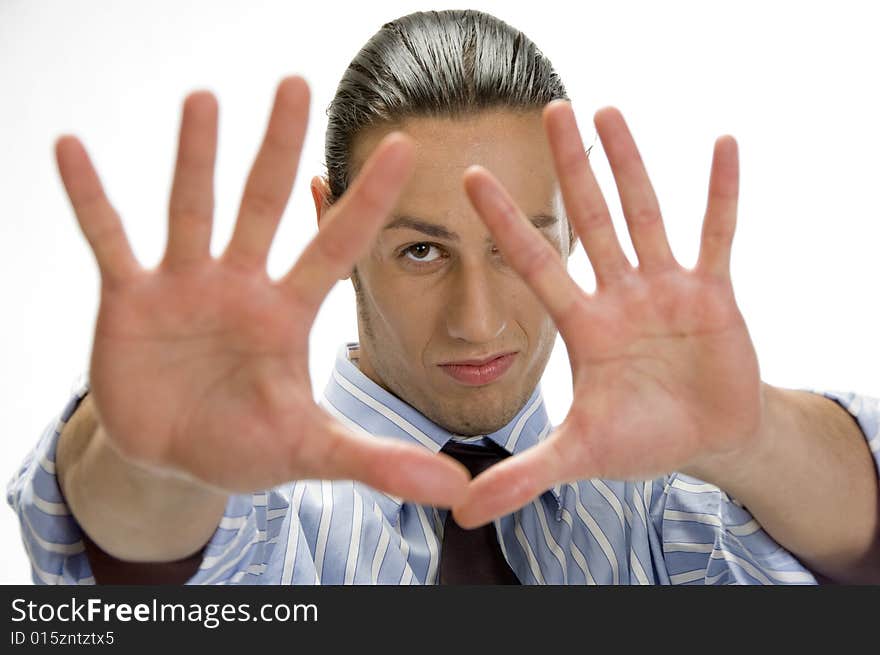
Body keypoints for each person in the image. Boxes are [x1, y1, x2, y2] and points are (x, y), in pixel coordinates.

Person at [7, 9, 880, 585]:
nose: (478, 320)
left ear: (571, 224)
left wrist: (756, 438)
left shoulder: (655, 509)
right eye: (422, 249)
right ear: (332, 223)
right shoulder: (266, 509)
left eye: (519, 246)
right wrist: (159, 457)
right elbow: (131, 546)